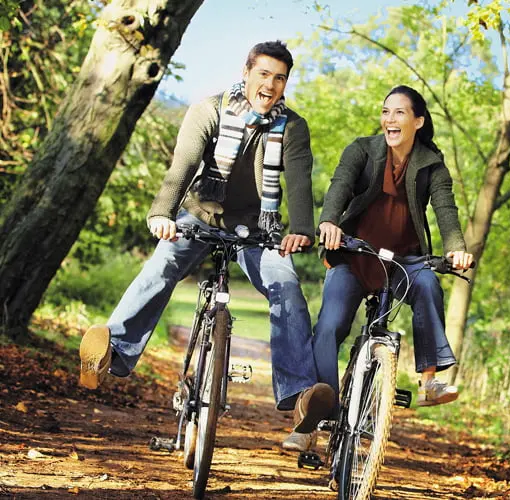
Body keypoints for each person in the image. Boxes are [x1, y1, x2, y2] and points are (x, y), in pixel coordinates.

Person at [78, 40, 333, 452]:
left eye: (280, 78)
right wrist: (162, 213)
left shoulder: (293, 126)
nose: (270, 85)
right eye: (263, 74)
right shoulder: (209, 110)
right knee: (163, 264)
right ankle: (111, 352)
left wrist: (301, 229)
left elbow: (299, 181)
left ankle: (300, 395)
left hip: (259, 229)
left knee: (286, 287)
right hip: (201, 217)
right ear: (246, 72)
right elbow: (183, 164)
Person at [312, 85, 474, 413]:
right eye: (386, 112)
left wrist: (456, 248)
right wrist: (329, 221)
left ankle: (429, 382)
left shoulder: (432, 164)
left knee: (428, 283)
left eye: (400, 112)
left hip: (402, 261)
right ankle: (319, 406)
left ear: (418, 121)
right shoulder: (362, 150)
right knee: (330, 326)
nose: (390, 119)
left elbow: (445, 208)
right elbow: (340, 184)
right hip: (355, 256)